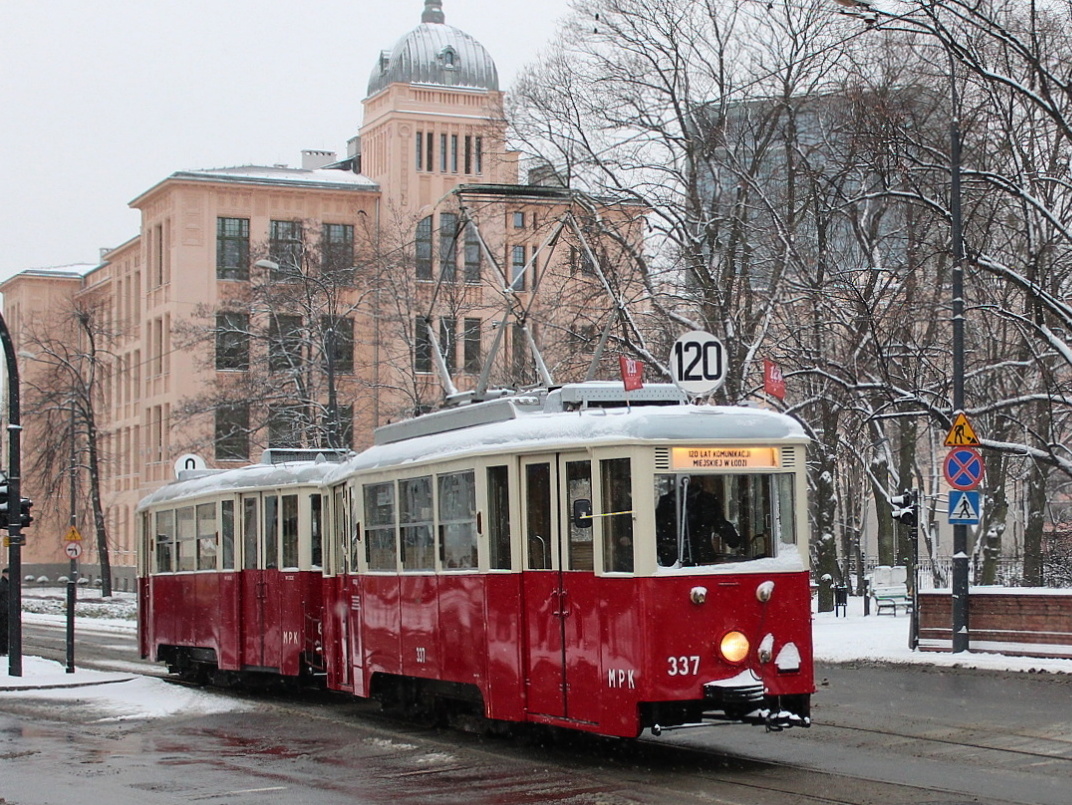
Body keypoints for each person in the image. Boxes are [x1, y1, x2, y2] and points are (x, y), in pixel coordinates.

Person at [0, 567, 9, 656]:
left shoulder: (7, 584)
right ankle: (3, 650)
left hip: (6, 611)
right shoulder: (2, 584)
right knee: (3, 632)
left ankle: (4, 650)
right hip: (3, 612)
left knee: (5, 632)